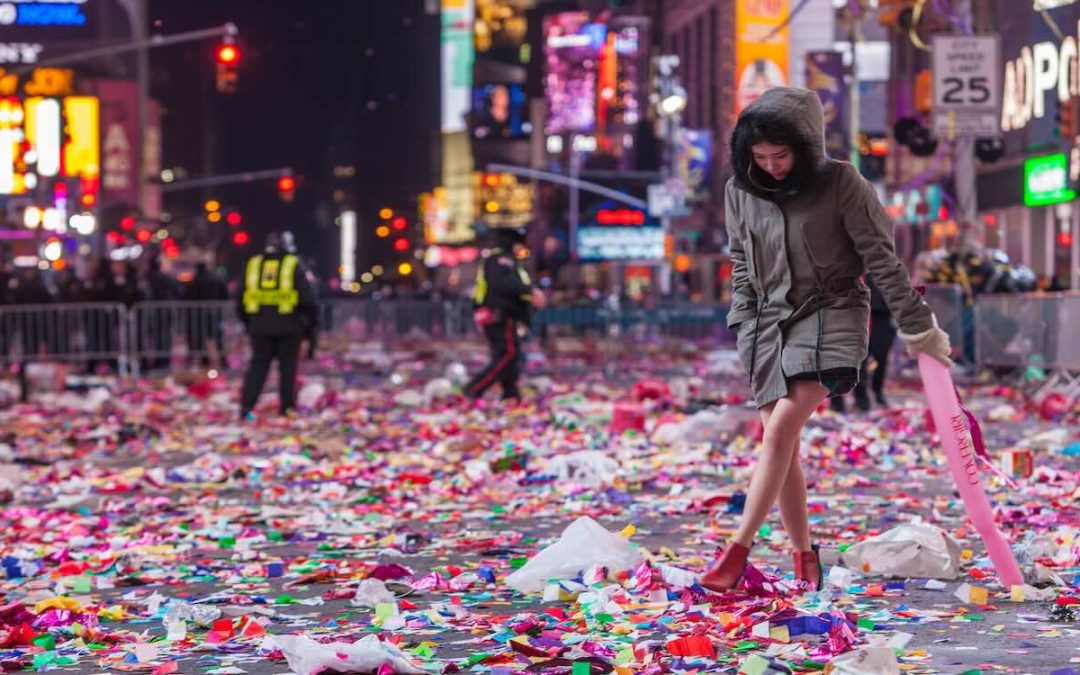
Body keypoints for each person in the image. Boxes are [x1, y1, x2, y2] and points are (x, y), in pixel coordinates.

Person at [701, 87, 952, 592]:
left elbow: (882, 260)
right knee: (784, 444)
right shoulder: (739, 191)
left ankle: (738, 550)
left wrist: (918, 325)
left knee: (780, 430)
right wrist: (743, 322)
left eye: (782, 155)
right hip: (768, 328)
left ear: (807, 145)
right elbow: (741, 264)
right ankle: (803, 558)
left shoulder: (843, 183)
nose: (771, 167)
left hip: (833, 314)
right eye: (760, 156)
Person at [237, 231, 318, 420]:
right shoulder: (293, 264)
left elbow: (240, 299)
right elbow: (308, 300)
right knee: (288, 369)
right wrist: (310, 327)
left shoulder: (254, 264)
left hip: (259, 327)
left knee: (257, 367)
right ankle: (286, 409)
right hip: (289, 327)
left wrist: (249, 324)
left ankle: (246, 408)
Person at [465, 227, 543, 401]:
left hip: (503, 315)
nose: (521, 249)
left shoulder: (505, 260)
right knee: (509, 354)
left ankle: (510, 394)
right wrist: (531, 291)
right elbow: (504, 285)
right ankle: (474, 388)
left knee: (506, 356)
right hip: (501, 315)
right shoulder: (500, 260)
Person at [832, 276, 896, 412]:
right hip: (846, 318)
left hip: (878, 318)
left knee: (878, 358)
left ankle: (872, 394)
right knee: (841, 361)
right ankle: (839, 401)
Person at [184, 262, 230, 368]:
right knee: (217, 337)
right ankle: (223, 360)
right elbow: (225, 294)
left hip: (198, 315)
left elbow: (187, 296)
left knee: (200, 338)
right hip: (215, 313)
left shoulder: (195, 281)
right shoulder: (216, 279)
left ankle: (204, 360)